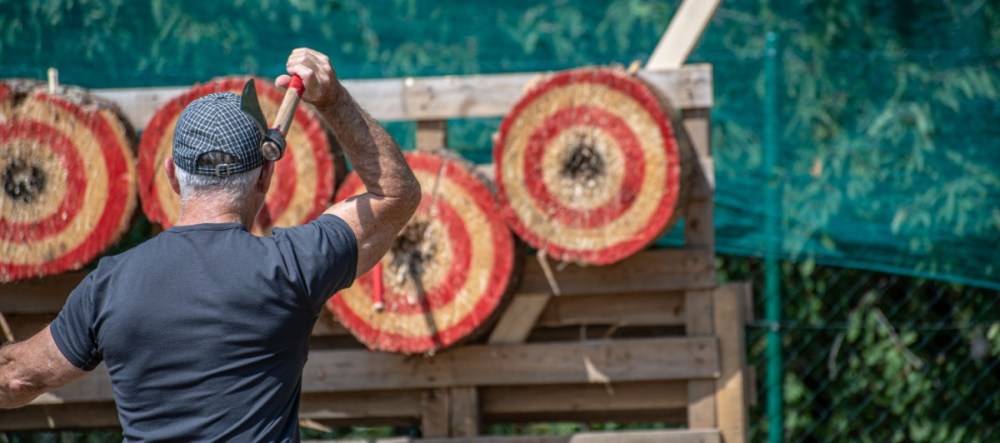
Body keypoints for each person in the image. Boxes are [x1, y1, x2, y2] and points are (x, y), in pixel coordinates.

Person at [0, 48, 421, 441]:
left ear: (170, 175)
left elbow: (18, 376)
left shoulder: (109, 284)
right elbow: (395, 195)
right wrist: (331, 98)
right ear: (264, 178)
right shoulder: (293, 266)